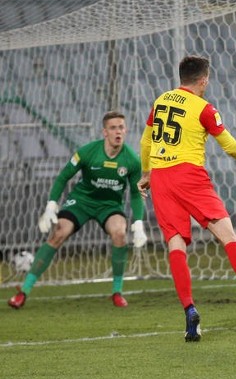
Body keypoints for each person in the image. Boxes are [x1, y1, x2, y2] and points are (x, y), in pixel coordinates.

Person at [137, 55, 236, 342]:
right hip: (189, 175)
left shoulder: (161, 101)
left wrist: (147, 173)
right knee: (227, 235)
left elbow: (146, 141)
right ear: (203, 80)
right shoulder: (204, 108)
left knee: (175, 243)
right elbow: (227, 143)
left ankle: (189, 310)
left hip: (161, 178)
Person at [8, 111, 148, 309]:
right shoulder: (88, 152)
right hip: (81, 201)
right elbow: (63, 177)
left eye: (121, 127)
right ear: (105, 132)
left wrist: (139, 223)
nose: (118, 131)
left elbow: (135, 194)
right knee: (58, 233)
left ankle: (117, 292)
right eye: (113, 128)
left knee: (119, 234)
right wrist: (51, 206)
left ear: (126, 130)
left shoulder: (132, 160)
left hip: (109, 206)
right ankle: (24, 292)